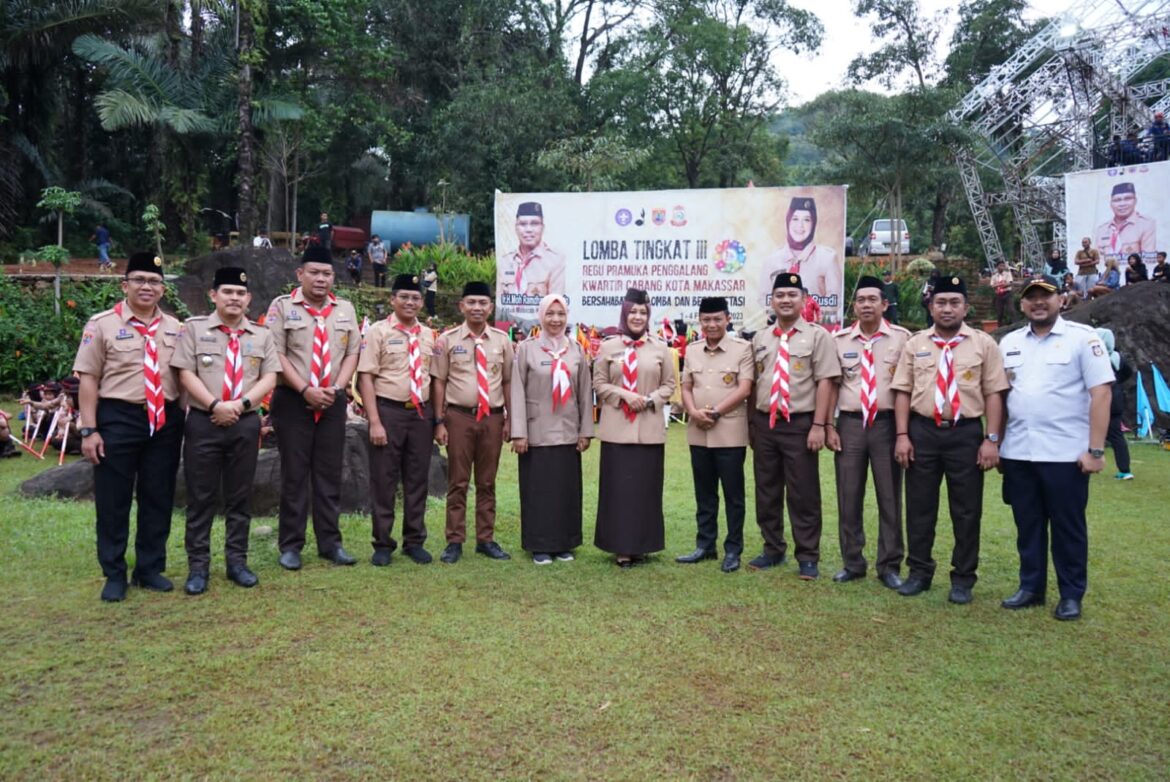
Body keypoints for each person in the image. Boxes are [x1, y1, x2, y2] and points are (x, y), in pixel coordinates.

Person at [997, 275, 1114, 621]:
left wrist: (1095, 450)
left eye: (1045, 297)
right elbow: (1003, 398)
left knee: (1068, 527)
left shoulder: (1082, 339)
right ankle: (1031, 587)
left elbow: (1101, 393)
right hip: (1019, 452)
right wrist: (1000, 444)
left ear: (1060, 300)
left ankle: (1070, 594)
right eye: (1031, 297)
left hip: (1066, 454)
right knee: (1027, 525)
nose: (1038, 303)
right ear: (1022, 304)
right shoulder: (1010, 342)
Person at [73, 252, 185, 602]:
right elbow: (88, 380)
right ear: (125, 285)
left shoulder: (176, 328)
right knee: (113, 499)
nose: (146, 287)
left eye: (153, 281)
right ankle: (114, 572)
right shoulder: (102, 324)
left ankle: (150, 568)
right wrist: (89, 430)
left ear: (163, 289)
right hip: (118, 417)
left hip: (164, 420)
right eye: (139, 280)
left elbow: (182, 379)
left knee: (158, 495)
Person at [891, 274, 1009, 604]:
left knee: (967, 510)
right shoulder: (916, 344)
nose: (947, 308)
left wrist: (992, 439)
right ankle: (919, 572)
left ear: (966, 307)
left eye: (954, 302)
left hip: (966, 434)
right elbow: (902, 391)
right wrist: (902, 435)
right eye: (940, 302)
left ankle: (963, 578)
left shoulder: (984, 344)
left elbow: (994, 394)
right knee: (919, 507)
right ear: (930, 306)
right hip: (923, 432)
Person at [172, 267, 280, 595]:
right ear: (213, 295)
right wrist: (215, 404)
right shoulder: (193, 329)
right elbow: (184, 373)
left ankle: (237, 562)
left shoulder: (261, 335)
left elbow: (270, 376)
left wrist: (241, 404)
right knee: (201, 496)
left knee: (239, 494)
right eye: (227, 292)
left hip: (245, 422)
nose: (234, 298)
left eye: (240, 293)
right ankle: (198, 567)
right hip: (204, 421)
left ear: (248, 299)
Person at [265, 245, 361, 571]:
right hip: (293, 401)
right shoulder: (281, 308)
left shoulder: (345, 309)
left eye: (327, 274)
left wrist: (337, 388)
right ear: (300, 274)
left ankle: (330, 543)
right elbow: (275, 355)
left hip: (332, 400)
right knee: (294, 474)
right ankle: (291, 545)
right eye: (315, 273)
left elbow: (352, 354)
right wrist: (305, 389)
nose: (321, 279)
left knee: (329, 473)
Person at [748, 273, 841, 578]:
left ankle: (808, 556)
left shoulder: (818, 336)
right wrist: (752, 425)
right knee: (767, 489)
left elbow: (826, 381)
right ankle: (772, 548)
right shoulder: (760, 338)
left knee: (803, 492)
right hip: (765, 424)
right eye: (780, 295)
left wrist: (819, 425)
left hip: (801, 423)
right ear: (771, 301)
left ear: (803, 299)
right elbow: (755, 384)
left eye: (792, 294)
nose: (786, 300)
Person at [826, 276, 911, 589]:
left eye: (872, 299)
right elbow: (833, 384)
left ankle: (889, 564)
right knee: (849, 495)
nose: (865, 305)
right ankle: (852, 562)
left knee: (889, 496)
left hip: (887, 425)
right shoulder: (840, 340)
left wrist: (904, 433)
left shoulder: (902, 339)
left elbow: (907, 387)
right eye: (860, 299)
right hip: (850, 423)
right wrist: (829, 426)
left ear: (884, 304)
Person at [431, 281, 514, 563]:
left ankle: (485, 539)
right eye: (472, 303)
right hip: (459, 417)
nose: (477, 308)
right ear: (462, 306)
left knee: (487, 481)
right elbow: (439, 382)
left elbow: (507, 382)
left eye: (483, 303)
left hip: (491, 418)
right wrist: (439, 421)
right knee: (458, 481)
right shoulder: (448, 340)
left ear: (490, 307)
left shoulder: (502, 341)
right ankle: (454, 540)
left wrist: (509, 419)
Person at [357, 273, 438, 566]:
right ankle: (382, 543)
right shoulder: (377, 332)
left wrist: (437, 420)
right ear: (392, 300)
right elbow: (366, 376)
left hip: (420, 413)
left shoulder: (428, 335)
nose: (410, 302)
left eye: (416, 298)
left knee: (418, 478)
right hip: (388, 411)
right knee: (384, 479)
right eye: (404, 297)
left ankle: (414, 541)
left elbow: (435, 377)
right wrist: (375, 421)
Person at [593, 288, 676, 567]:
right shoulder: (607, 347)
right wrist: (626, 396)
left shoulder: (661, 348)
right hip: (617, 428)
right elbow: (600, 384)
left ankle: (642, 544)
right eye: (633, 312)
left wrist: (650, 399)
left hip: (649, 427)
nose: (638, 317)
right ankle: (620, 547)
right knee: (618, 490)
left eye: (643, 312)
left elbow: (669, 385)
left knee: (645, 489)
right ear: (624, 313)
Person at [510, 294, 594, 564]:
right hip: (537, 432)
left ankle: (564, 542)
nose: (555, 319)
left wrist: (585, 431)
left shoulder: (576, 350)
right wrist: (519, 432)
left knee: (565, 490)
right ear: (541, 316)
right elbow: (516, 390)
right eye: (550, 313)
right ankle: (540, 544)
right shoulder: (527, 349)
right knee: (538, 490)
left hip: (567, 431)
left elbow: (584, 392)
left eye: (560, 314)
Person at [675, 296, 754, 573]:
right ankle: (705, 545)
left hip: (729, 431)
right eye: (706, 319)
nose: (711, 324)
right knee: (704, 494)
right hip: (698, 431)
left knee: (733, 496)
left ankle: (733, 550)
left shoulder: (742, 348)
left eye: (717, 319)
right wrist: (694, 412)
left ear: (728, 319)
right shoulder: (693, 349)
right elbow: (685, 386)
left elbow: (744, 389)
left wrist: (716, 412)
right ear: (700, 321)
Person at [757, 197, 843, 320]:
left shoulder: (827, 258)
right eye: (795, 219)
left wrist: (807, 316)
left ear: (814, 223)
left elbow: (836, 300)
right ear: (788, 221)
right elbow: (763, 298)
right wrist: (782, 315)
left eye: (807, 220)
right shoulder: (772, 260)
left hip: (814, 330)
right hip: (781, 328)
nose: (800, 226)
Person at [498, 201, 566, 298]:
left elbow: (555, 304)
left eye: (534, 223)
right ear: (516, 228)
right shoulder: (505, 261)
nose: (528, 229)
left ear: (542, 228)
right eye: (522, 224)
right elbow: (500, 302)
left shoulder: (555, 261)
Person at [1096, 328, 1134, 481]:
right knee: (1117, 436)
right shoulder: (1118, 358)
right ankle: (1125, 470)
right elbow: (1128, 372)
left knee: (1083, 430)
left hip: (1098, 401)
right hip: (1115, 400)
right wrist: (1116, 383)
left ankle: (1082, 462)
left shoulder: (1095, 357)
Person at [1095, 182, 1157, 263]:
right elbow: (1098, 259)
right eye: (1117, 200)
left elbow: (1148, 259)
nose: (1122, 204)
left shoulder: (1147, 224)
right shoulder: (1102, 229)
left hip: (1134, 272)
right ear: (1111, 204)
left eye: (1127, 198)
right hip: (1109, 271)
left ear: (1135, 201)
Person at [990, 260, 1014, 326]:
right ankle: (1000, 326)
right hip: (998, 295)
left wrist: (998, 284)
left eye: (1003, 266)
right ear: (997, 267)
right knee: (999, 312)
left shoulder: (1008, 273)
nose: (1002, 267)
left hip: (1007, 293)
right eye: (1000, 266)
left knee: (1011, 310)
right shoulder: (994, 275)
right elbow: (992, 285)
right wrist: (1002, 284)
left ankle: (1015, 324)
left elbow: (1009, 283)